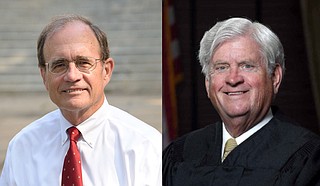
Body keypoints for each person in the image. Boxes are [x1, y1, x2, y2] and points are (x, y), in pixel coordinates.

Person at [0, 15, 161, 186]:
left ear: (106, 71)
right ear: (44, 76)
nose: (72, 75)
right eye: (59, 65)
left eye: (83, 63)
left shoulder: (145, 146)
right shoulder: (23, 147)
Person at [163, 17, 320, 186]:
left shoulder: (307, 156)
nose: (233, 79)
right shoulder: (179, 153)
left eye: (247, 66)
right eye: (221, 67)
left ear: (275, 77)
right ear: (208, 83)